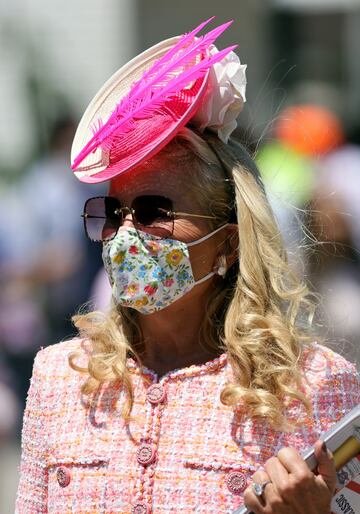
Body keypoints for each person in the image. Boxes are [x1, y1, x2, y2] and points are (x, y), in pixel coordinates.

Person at [16, 19, 359, 514]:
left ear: (229, 244)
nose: (126, 234)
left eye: (155, 212)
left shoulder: (313, 385)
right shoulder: (60, 376)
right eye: (113, 213)